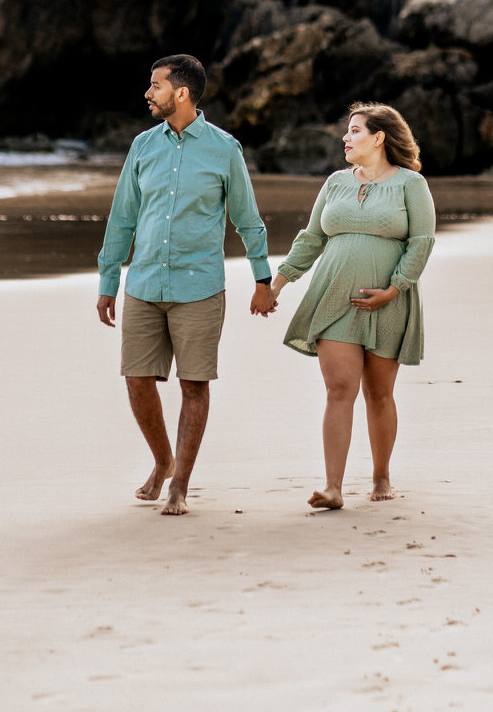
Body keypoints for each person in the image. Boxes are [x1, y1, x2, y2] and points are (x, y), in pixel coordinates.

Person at [97, 54, 276, 515]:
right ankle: (163, 462)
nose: (147, 94)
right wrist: (108, 278)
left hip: (199, 287)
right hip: (144, 283)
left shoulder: (224, 149)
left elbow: (248, 220)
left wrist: (262, 279)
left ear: (181, 93)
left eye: (155, 86)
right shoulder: (142, 147)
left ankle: (180, 484)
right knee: (137, 380)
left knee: (194, 384)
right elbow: (123, 217)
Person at [267, 103, 435, 510]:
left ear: (378, 138)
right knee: (339, 389)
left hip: (388, 301)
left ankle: (381, 475)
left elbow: (421, 241)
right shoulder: (336, 182)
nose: (345, 137)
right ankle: (333, 487)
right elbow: (311, 238)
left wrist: (394, 289)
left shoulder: (411, 184)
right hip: (335, 297)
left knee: (379, 394)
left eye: (355, 130)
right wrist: (276, 285)